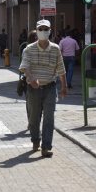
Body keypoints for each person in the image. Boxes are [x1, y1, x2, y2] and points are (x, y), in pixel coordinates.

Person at [19, 19, 67, 158]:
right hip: (33, 89)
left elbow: (61, 69)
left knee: (49, 118)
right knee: (34, 118)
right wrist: (31, 78)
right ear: (36, 31)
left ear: (50, 31)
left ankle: (46, 147)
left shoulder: (56, 49)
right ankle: (35, 140)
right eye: (40, 29)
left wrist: (64, 86)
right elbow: (24, 66)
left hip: (50, 87)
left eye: (46, 29)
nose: (43, 32)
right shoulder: (29, 49)